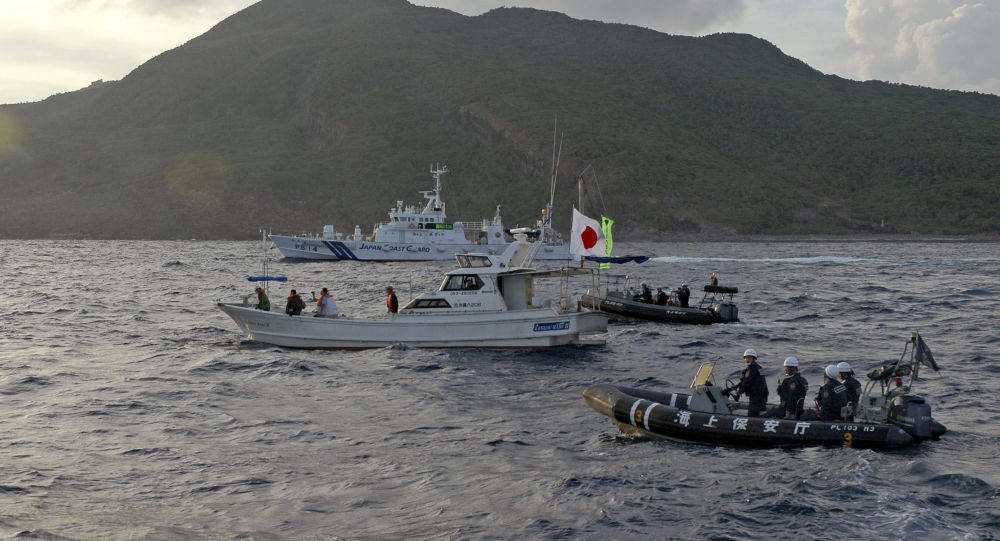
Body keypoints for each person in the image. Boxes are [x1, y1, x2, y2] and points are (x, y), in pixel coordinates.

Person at [733, 348, 769, 417]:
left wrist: (739, 393)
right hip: (763, 396)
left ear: (754, 359)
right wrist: (736, 386)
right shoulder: (759, 368)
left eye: (749, 358)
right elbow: (759, 381)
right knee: (760, 415)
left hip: (756, 398)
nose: (747, 360)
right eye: (746, 358)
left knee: (752, 416)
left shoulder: (751, 370)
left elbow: (746, 382)